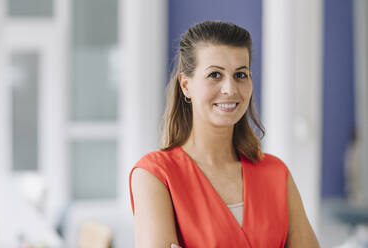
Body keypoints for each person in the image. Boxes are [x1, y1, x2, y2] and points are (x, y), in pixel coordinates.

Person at [129, 20, 320, 247]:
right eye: (215, 75)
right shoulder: (156, 175)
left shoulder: (277, 174)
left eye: (240, 75)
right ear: (185, 85)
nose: (230, 89)